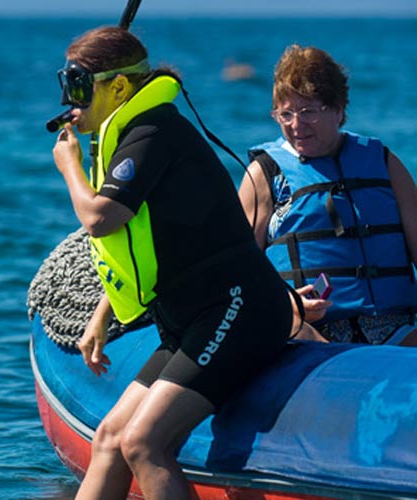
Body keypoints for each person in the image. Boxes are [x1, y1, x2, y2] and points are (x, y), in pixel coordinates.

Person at [51, 26, 295, 500]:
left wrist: (70, 168)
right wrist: (102, 315)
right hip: (189, 319)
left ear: (118, 87)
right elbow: (141, 245)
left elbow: (102, 219)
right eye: (65, 83)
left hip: (237, 308)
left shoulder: (153, 132)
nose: (69, 98)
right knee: (109, 439)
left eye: (79, 85)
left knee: (145, 443)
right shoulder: (127, 135)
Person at [238, 44, 417, 345]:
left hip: (394, 329)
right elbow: (240, 272)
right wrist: (287, 305)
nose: (296, 126)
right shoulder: (264, 176)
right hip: (309, 332)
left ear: (338, 110)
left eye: (308, 111)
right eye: (286, 114)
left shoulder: (384, 163)